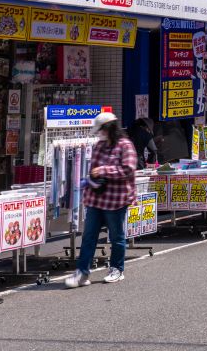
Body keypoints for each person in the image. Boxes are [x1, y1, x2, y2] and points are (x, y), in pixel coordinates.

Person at [66, 112, 137, 287]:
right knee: (89, 236)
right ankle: (82, 273)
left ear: (109, 128)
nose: (100, 134)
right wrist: (89, 181)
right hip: (96, 199)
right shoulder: (99, 146)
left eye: (101, 130)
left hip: (116, 200)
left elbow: (128, 170)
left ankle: (117, 269)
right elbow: (93, 170)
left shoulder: (125, 146)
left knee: (116, 236)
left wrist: (104, 171)